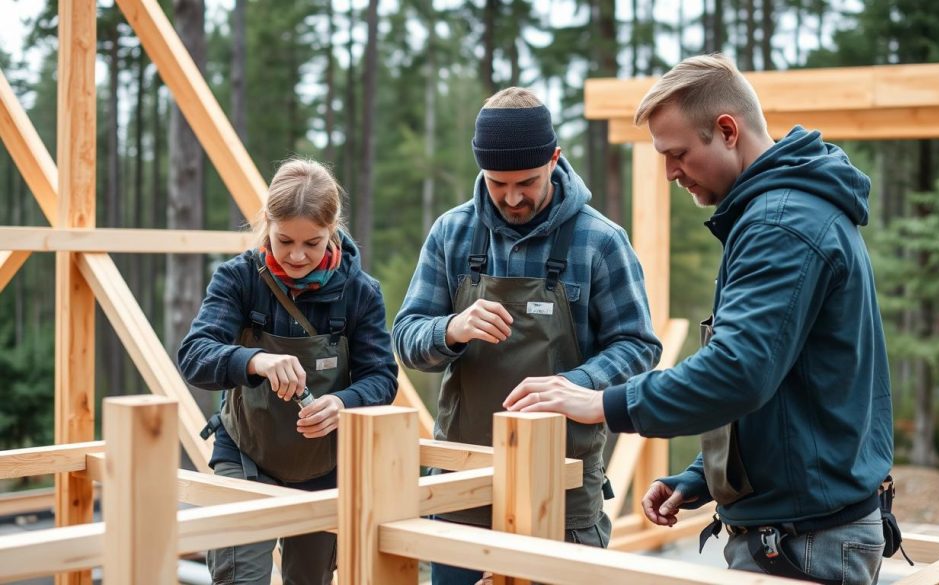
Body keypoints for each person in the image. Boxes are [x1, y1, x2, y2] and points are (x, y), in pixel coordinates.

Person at [504, 54, 895, 585]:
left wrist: (600, 403)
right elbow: (784, 386)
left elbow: (738, 371)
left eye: (678, 153)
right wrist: (703, 477)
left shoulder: (781, 223)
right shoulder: (779, 212)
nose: (669, 173)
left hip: (805, 540)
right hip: (800, 527)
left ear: (728, 131)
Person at [393, 87, 662, 585]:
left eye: (527, 182)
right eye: (498, 184)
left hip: (562, 495)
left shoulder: (600, 241)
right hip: (462, 491)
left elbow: (640, 348)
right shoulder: (451, 234)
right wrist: (451, 330)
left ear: (554, 160)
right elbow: (407, 338)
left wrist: (576, 385)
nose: (513, 198)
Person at [178, 158, 398, 585]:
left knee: (311, 578)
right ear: (267, 224)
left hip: (324, 466)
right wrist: (255, 361)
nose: (298, 256)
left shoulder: (360, 293)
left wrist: (343, 402)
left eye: (312, 244)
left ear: (333, 229)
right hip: (246, 453)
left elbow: (382, 378)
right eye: (284, 241)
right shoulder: (238, 280)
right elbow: (194, 356)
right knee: (239, 575)